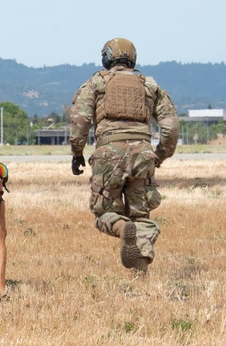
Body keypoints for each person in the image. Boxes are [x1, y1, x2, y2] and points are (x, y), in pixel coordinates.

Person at [69, 37, 179, 275]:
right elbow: (171, 128)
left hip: (109, 155)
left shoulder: (97, 83)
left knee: (104, 213)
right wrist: (158, 156)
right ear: (133, 59)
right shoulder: (150, 86)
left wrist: (77, 152)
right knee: (142, 214)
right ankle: (141, 264)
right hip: (143, 154)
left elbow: (80, 120)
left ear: (106, 58)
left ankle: (121, 228)